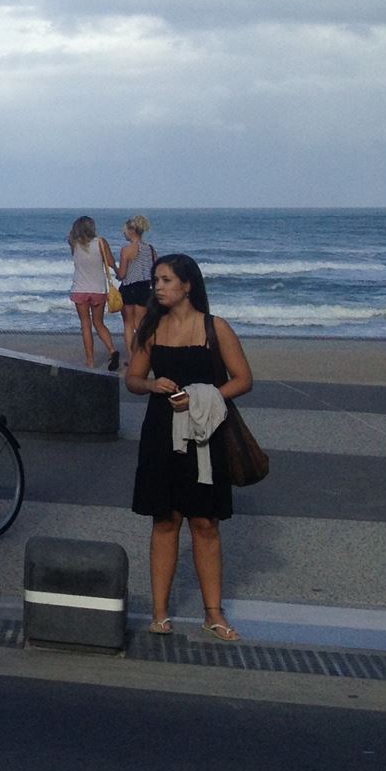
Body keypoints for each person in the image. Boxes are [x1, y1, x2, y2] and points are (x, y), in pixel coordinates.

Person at [126, 253, 252, 642]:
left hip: (204, 434)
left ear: (187, 285)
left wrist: (202, 397)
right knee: (164, 520)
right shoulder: (151, 329)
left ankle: (213, 613)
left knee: (205, 523)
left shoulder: (216, 328)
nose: (158, 287)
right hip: (160, 433)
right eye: (156, 281)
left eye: (165, 280)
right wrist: (152, 385)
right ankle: (160, 612)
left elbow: (243, 379)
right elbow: (133, 378)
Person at [67, 215, 122, 370]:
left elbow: (70, 236)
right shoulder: (101, 242)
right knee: (99, 323)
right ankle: (112, 350)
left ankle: (90, 361)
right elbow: (110, 262)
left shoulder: (74, 243)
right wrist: (118, 272)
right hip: (98, 289)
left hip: (80, 289)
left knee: (85, 325)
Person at [115, 215, 157, 363]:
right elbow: (155, 270)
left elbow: (122, 274)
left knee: (128, 324)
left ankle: (131, 357)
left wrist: (114, 268)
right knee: (141, 325)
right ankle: (145, 356)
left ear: (131, 231)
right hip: (145, 288)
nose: (124, 233)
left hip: (129, 287)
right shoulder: (151, 249)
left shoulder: (127, 250)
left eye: (125, 231)